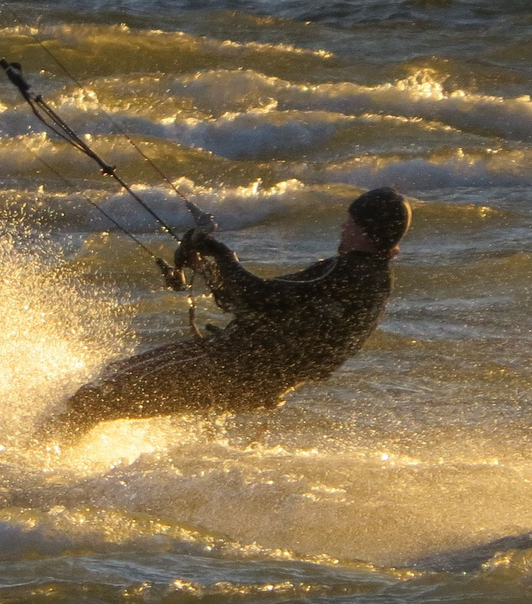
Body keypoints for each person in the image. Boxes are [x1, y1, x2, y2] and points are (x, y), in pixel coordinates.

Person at [47, 187, 410, 437]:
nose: (343, 227)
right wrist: (208, 267)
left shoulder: (345, 272)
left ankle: (40, 474)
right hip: (252, 379)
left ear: (366, 230)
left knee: (90, 399)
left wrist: (218, 253)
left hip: (228, 368)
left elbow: (254, 297)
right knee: (105, 384)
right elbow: (262, 304)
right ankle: (55, 463)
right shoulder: (375, 282)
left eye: (351, 222)